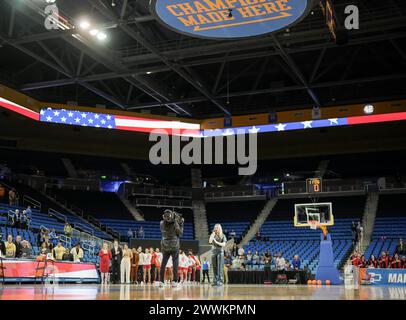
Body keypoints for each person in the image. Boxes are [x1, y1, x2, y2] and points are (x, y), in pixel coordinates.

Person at [158, 209, 184, 288]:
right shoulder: (175, 223)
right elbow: (180, 234)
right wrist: (180, 224)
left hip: (165, 245)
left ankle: (161, 282)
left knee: (163, 263)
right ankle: (174, 281)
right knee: (175, 263)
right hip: (174, 245)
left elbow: (167, 222)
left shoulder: (161, 223)